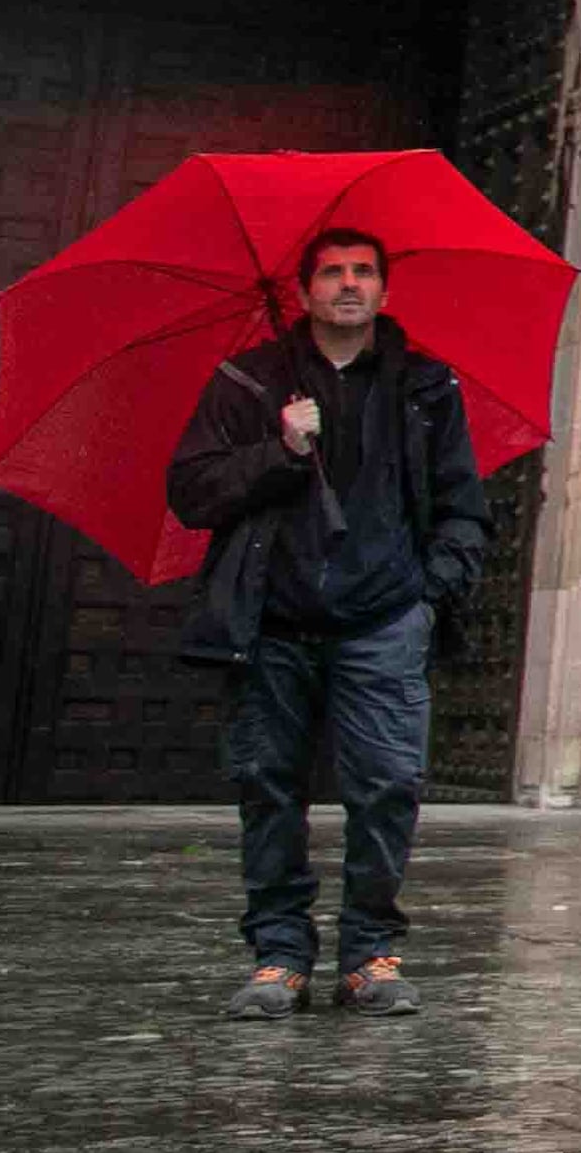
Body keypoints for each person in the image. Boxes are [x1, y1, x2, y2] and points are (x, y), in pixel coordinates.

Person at [169, 226, 490, 1019]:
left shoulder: (426, 386)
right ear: (305, 288)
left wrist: (427, 598)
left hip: (383, 619)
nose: (349, 284)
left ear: (383, 287)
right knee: (268, 785)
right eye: (332, 272)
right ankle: (279, 954)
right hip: (272, 623)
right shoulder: (251, 381)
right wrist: (279, 448)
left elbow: (464, 509)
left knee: (386, 786)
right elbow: (192, 490)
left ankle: (368, 953)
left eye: (364, 271)